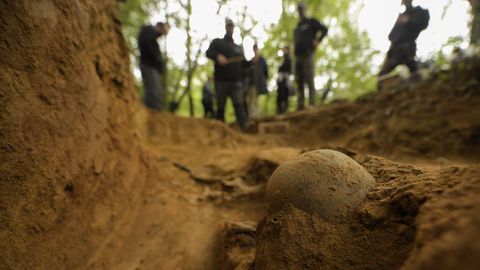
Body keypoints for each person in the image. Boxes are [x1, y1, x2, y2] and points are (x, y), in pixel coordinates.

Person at [206, 18, 250, 129]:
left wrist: (252, 62)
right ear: (225, 27)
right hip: (221, 81)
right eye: (228, 26)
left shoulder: (239, 47)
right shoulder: (217, 42)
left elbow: (245, 65)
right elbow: (208, 52)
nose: (230, 28)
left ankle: (244, 128)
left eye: (232, 26)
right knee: (220, 106)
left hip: (237, 82)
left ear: (234, 28)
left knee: (239, 104)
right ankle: (220, 128)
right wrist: (217, 56)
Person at [379, 0, 429, 77]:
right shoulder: (401, 16)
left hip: (407, 46)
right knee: (382, 75)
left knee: (414, 70)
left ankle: (423, 78)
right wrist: (399, 22)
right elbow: (391, 35)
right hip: (393, 50)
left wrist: (408, 21)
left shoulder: (419, 12)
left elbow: (423, 24)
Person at [294, 2, 328, 110]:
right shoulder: (297, 28)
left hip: (308, 53)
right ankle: (301, 105)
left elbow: (324, 29)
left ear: (305, 9)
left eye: (302, 9)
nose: (300, 11)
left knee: (309, 77)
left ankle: (312, 103)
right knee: (299, 81)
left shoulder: (311, 22)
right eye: (298, 9)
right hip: (297, 57)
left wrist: (318, 40)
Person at [138, 22, 170, 110]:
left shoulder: (153, 38)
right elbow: (147, 44)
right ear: (160, 27)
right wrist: (158, 59)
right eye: (165, 31)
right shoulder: (148, 31)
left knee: (158, 90)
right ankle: (152, 111)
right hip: (149, 65)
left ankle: (155, 111)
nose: (164, 34)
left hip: (153, 67)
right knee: (153, 89)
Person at [245, 43, 269, 121]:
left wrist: (264, 81)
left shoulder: (261, 60)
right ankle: (252, 116)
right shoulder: (251, 61)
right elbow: (247, 71)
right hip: (250, 83)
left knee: (255, 100)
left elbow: (265, 72)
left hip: (258, 83)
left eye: (255, 49)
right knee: (250, 100)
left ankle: (256, 116)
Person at [276, 45, 292, 114]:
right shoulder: (284, 59)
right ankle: (280, 111)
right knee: (280, 96)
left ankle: (284, 111)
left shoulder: (288, 59)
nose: (283, 51)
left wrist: (280, 68)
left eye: (284, 50)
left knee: (284, 95)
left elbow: (287, 68)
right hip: (281, 80)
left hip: (285, 80)